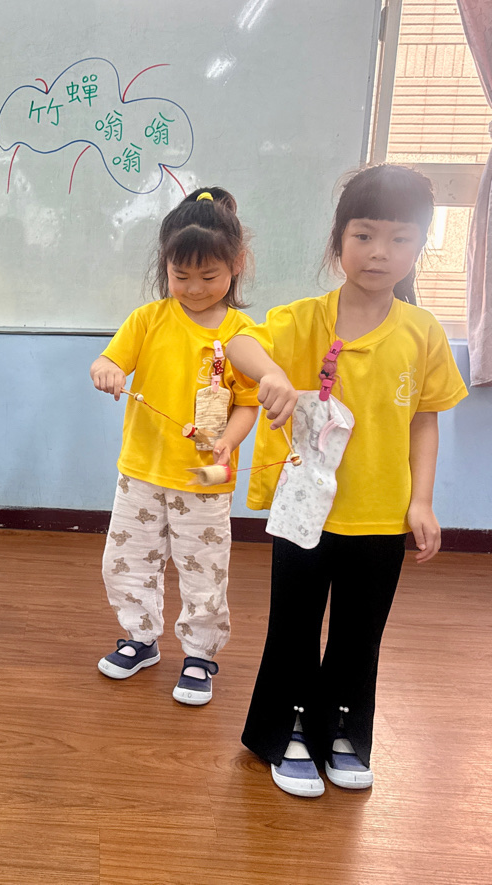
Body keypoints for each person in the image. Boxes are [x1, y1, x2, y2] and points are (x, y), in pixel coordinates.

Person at [227, 164, 467, 797]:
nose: (379, 252)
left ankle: (342, 730)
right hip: (305, 512)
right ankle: (286, 731)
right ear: (338, 240)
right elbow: (238, 342)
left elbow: (424, 422)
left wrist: (421, 501)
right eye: (364, 235)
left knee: (361, 634)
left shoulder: (422, 332)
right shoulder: (304, 319)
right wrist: (272, 373)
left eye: (400, 238)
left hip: (381, 516)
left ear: (420, 246)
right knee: (294, 628)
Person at [90, 187, 259, 705]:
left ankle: (200, 655)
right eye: (180, 275)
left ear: (236, 265)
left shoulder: (241, 333)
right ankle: (140, 639)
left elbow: (247, 404)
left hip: (203, 479)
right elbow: (110, 359)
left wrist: (228, 442)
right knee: (126, 561)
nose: (194, 288)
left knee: (203, 568)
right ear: (165, 265)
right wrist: (106, 369)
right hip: (140, 470)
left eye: (208, 276)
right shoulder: (149, 319)